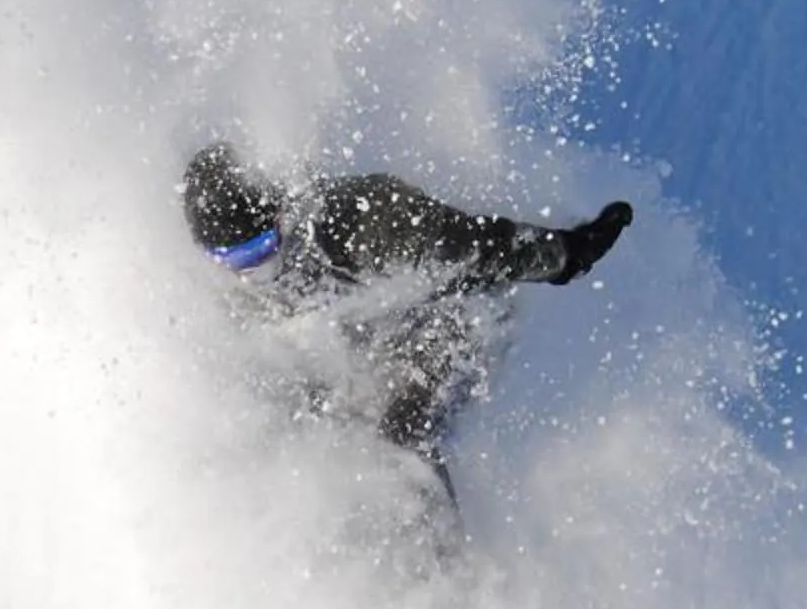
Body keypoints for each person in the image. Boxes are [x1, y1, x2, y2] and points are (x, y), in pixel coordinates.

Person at [179, 141, 633, 496]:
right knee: (302, 426)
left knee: (398, 434)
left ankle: (444, 578)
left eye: (261, 248)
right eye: (235, 259)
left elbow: (475, 247)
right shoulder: (225, 293)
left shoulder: (358, 221)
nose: (255, 271)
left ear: (282, 214)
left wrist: (568, 255)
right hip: (370, 341)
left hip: (456, 316)